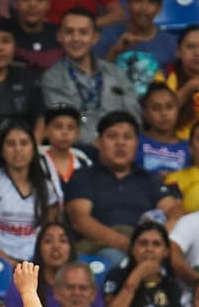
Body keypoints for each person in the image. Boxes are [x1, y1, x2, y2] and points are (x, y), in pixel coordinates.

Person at [64, 110, 181, 263]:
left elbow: (174, 208)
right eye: (113, 136)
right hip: (99, 249)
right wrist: (127, 244)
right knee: (116, 259)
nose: (120, 143)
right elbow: (80, 220)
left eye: (127, 137)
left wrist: (159, 238)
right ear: (99, 142)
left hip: (145, 249)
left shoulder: (148, 178)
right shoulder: (84, 176)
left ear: (136, 144)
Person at [42, 8, 141, 146]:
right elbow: (65, 124)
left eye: (83, 32)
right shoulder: (52, 78)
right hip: (78, 151)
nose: (76, 38)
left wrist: (117, 141)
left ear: (95, 38)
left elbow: (133, 116)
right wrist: (101, 144)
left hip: (120, 147)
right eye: (69, 32)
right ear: (60, 36)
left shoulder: (117, 73)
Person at [0, 120, 57, 262]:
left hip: (36, 262)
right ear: (2, 150)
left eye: (24, 143)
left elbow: (49, 231)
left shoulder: (46, 186)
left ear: (33, 149)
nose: (18, 149)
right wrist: (4, 259)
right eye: (11, 144)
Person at [102, 220, 185, 307]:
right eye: (143, 243)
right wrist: (137, 274)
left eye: (156, 244)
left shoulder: (171, 284)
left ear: (166, 252)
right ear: (133, 249)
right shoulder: (117, 275)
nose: (149, 249)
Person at [96, 0, 176, 99]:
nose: (144, 8)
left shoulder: (170, 43)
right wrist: (115, 51)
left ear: (159, 8)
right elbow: (94, 79)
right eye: (138, 0)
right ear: (127, 3)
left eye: (152, 2)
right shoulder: (107, 35)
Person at [2, 221, 101, 307]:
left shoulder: (84, 282)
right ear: (39, 248)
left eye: (63, 240)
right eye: (48, 241)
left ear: (71, 248)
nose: (56, 246)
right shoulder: (23, 285)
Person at [0, 15, 46, 128]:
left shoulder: (27, 75)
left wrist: (33, 144)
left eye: (6, 41)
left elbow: (40, 118)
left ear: (14, 45)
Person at [38, 103, 91, 207]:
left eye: (70, 127)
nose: (65, 132)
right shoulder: (37, 163)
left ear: (77, 133)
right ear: (46, 131)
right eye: (58, 127)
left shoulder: (85, 162)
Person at [155, 26, 199, 141]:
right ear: (178, 52)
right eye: (190, 47)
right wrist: (189, 88)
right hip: (173, 148)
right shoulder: (163, 76)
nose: (197, 53)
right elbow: (157, 117)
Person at [12, 0, 62, 70]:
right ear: (15, 3)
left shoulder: (60, 36)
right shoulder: (5, 35)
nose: (32, 4)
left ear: (48, 4)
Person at [137, 83, 190, 176]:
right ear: (145, 113)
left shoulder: (190, 148)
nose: (164, 113)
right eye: (156, 108)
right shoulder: (135, 143)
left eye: (169, 107)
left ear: (177, 110)